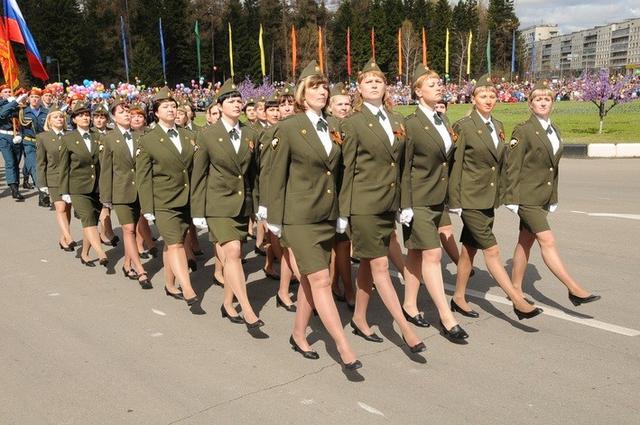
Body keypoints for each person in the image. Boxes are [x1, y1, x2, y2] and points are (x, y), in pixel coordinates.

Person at [268, 61, 361, 369]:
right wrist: (273, 219)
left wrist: (342, 212)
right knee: (321, 278)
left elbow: (340, 174)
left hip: (327, 214)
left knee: (311, 279)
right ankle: (343, 346)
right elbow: (275, 176)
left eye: (324, 86)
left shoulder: (333, 127)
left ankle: (298, 333)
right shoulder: (289, 128)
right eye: (315, 87)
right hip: (298, 217)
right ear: (301, 94)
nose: (322, 91)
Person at [339, 59, 425, 353]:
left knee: (367, 263)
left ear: (385, 86)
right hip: (363, 205)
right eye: (368, 81)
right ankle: (405, 328)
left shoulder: (397, 120)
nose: (375, 85)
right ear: (359, 89)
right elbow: (347, 168)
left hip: (389, 204)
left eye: (379, 80)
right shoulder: (351, 122)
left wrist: (405, 203)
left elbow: (403, 167)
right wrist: (343, 212)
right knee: (379, 265)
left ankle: (360, 318)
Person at [448, 75, 543, 320]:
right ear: (473, 99)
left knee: (468, 250)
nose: (488, 100)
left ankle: (458, 297)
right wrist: (455, 202)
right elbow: (455, 166)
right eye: (483, 96)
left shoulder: (498, 126)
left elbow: (500, 165)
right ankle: (517, 300)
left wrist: (508, 193)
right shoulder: (464, 126)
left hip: (488, 200)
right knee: (492, 251)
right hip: (470, 200)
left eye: (492, 96)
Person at [503, 81, 600, 307]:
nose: (543, 102)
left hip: (543, 197)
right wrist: (511, 198)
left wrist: (553, 196)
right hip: (526, 197)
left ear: (553, 104)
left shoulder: (553, 129)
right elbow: (512, 166)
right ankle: (574, 289)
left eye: (547, 99)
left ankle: (515, 288)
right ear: (530, 104)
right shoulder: (523, 130)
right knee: (547, 240)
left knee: (524, 242)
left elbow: (552, 167)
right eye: (538, 99)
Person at [399, 65, 468, 343]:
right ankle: (446, 316)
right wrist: (405, 204)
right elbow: (403, 167)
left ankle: (409, 304)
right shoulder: (411, 124)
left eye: (439, 83)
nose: (439, 87)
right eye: (431, 85)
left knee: (416, 254)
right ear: (417, 91)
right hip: (418, 199)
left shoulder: (442, 119)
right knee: (433, 254)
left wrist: (453, 198)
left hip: (437, 198)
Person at [191, 79, 264, 329]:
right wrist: (198, 211)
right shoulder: (208, 135)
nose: (237, 104)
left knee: (235, 255)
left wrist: (259, 204)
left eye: (238, 100)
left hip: (242, 204)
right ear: (220, 106)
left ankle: (228, 304)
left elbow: (255, 174)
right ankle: (247, 308)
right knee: (232, 253)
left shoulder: (250, 133)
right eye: (231, 101)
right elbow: (199, 175)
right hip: (218, 204)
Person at [136, 87, 204, 314]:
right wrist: (147, 207)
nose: (172, 110)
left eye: (174, 106)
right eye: (166, 107)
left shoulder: (188, 135)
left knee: (175, 241)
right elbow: (143, 177)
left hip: (188, 199)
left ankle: (169, 284)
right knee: (175, 244)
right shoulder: (148, 140)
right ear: (155, 112)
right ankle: (188, 289)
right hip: (164, 200)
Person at [99, 99, 151, 289]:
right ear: (113, 116)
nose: (127, 114)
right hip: (120, 191)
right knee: (128, 229)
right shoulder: (109, 139)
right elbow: (106, 170)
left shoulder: (140, 137)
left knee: (137, 229)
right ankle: (140, 270)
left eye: (128, 111)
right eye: (122, 112)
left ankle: (127, 264)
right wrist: (106, 198)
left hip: (140, 191)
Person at [59, 101, 109, 268]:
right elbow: (63, 167)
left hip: (97, 187)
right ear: (74, 119)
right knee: (88, 218)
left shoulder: (98, 137)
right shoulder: (68, 139)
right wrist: (64, 190)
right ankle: (100, 252)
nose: (85, 118)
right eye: (80, 115)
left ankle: (85, 253)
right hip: (77, 187)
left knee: (92, 221)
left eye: (87, 115)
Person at [327, 82, 355, 309]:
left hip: (354, 190)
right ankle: (349, 289)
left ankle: (333, 283)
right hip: (335, 192)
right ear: (330, 106)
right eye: (340, 104)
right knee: (342, 243)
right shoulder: (329, 126)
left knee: (341, 245)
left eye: (347, 104)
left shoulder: (352, 124)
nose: (344, 107)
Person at [36, 105, 75, 250]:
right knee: (61, 207)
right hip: (53, 177)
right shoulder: (43, 137)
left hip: (70, 177)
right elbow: (41, 162)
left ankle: (63, 237)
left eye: (61, 117)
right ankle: (69, 237)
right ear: (49, 120)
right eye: (55, 117)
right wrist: (42, 183)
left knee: (68, 208)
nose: (59, 119)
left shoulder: (71, 135)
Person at [0, 86, 28, 201]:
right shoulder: (2, 104)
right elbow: (2, 113)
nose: (7, 93)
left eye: (9, 91)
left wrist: (18, 102)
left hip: (17, 135)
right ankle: (14, 188)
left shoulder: (18, 104)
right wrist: (13, 102)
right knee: (10, 161)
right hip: (4, 136)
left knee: (16, 162)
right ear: (1, 94)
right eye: (5, 92)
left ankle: (15, 184)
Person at [20, 87, 47, 194]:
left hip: (42, 143)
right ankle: (41, 190)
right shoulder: (23, 112)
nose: (34, 99)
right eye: (32, 97)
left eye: (37, 97)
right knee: (35, 165)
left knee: (39, 164)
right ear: (28, 99)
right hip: (29, 142)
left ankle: (26, 176)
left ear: (40, 99)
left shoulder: (46, 112)